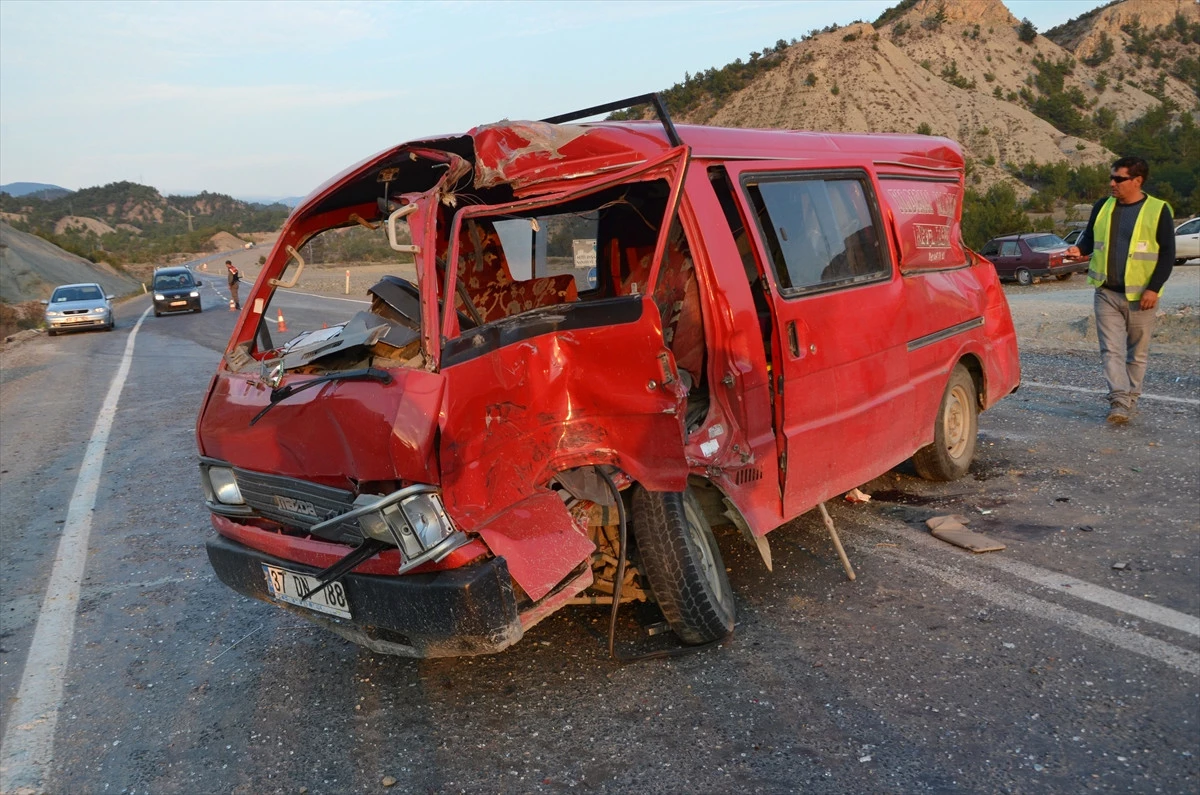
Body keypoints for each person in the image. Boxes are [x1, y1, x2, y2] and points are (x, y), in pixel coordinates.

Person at [1066, 156, 1175, 425]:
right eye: (1111, 177)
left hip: (1142, 297)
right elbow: (1090, 237)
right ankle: (1118, 400)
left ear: (1137, 181)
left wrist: (1154, 288)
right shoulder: (1103, 206)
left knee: (1137, 353)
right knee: (1111, 350)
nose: (1111, 183)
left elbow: (1168, 254)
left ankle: (1131, 398)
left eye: (1118, 178)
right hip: (1106, 292)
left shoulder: (1158, 209)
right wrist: (1079, 249)